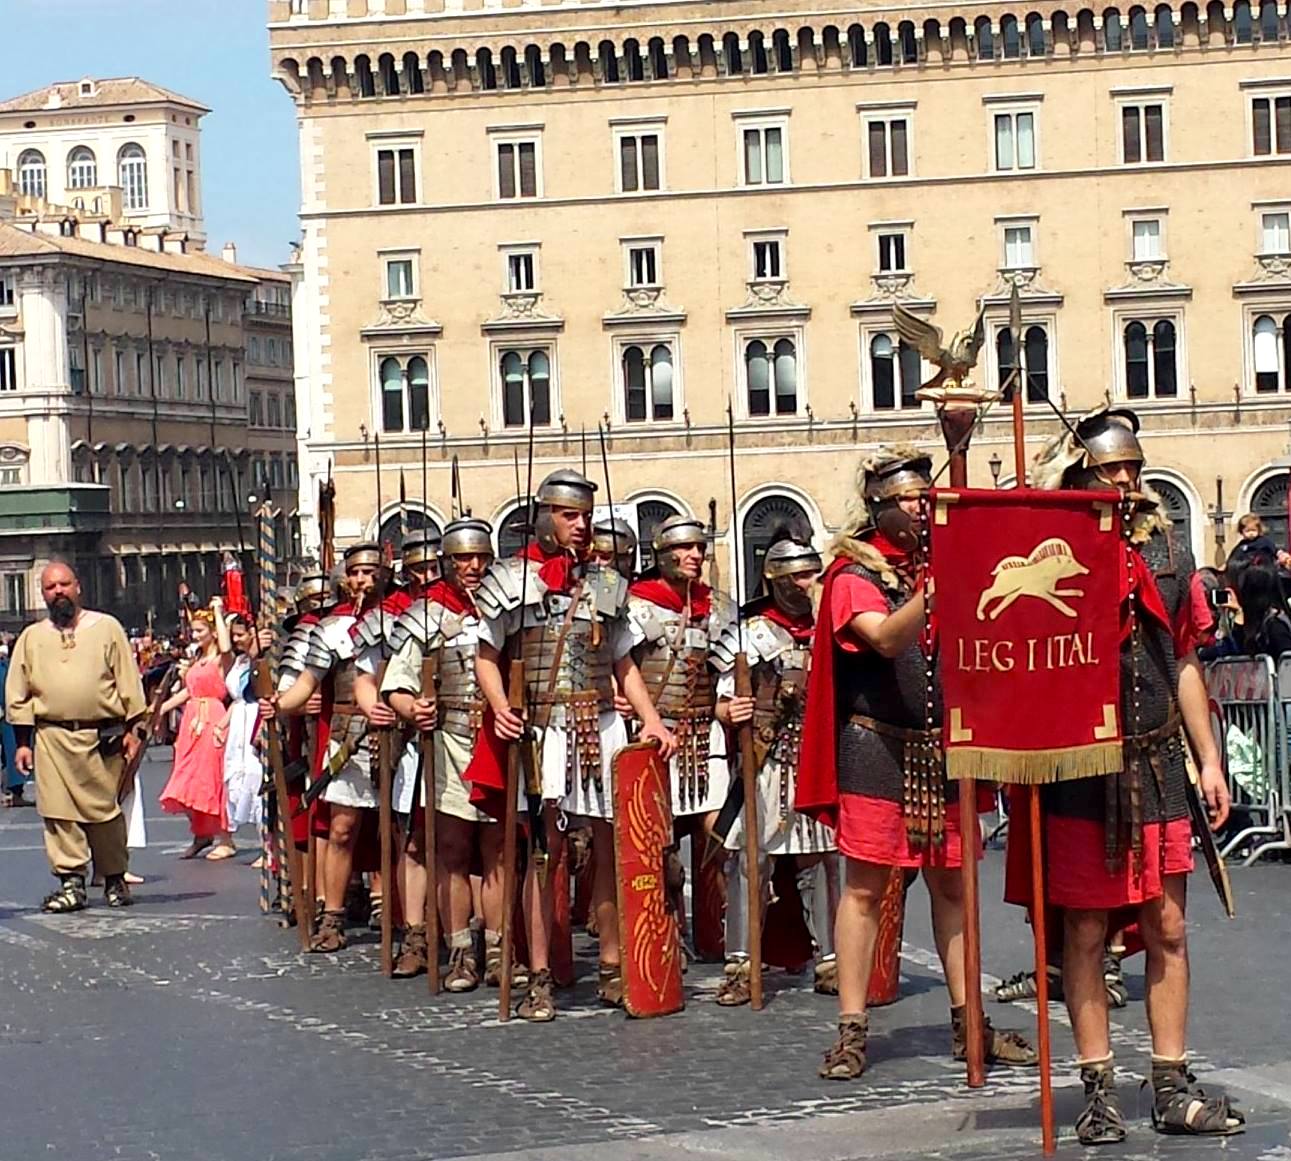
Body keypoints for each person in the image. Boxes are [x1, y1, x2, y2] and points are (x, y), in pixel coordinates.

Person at [1028, 407, 1241, 1144]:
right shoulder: (1052, 546)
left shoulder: (1169, 551)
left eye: (1131, 467)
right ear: (1080, 474)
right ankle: (1095, 1089)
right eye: (1108, 468)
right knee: (1084, 930)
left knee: (1169, 926)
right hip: (1081, 767)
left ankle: (1170, 1082)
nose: (1123, 478)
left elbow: (1181, 658)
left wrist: (1207, 757)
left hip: (1155, 760)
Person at [796, 446, 1036, 1082]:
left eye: (924, 496)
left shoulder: (939, 564)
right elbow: (884, 637)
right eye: (908, 499)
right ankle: (851, 1030)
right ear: (880, 506)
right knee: (865, 888)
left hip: (946, 753)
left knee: (955, 889)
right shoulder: (854, 574)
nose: (921, 507)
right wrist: (938, 589)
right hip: (877, 749)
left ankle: (969, 1025)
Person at [472, 469, 674, 1020]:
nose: (580, 525)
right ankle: (538, 971)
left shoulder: (608, 584)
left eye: (585, 515)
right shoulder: (511, 580)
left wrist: (651, 720)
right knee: (544, 853)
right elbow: (486, 657)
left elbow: (623, 662)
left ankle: (613, 964)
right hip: (542, 729)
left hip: (601, 723)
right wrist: (500, 708)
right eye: (569, 515)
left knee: (615, 846)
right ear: (544, 516)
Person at [715, 534, 840, 1005]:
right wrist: (734, 712)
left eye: (813, 574)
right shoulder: (750, 632)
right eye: (800, 576)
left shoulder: (829, 627)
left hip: (815, 758)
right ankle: (741, 962)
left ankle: (830, 959)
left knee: (821, 858)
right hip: (767, 757)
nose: (809, 584)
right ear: (778, 580)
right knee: (751, 859)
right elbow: (723, 703)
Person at [383, 517, 505, 988]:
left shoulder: (508, 605)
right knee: (451, 849)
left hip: (497, 738)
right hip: (449, 740)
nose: (473, 568)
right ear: (447, 563)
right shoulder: (426, 613)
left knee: (498, 852)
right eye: (463, 559)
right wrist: (414, 707)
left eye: (480, 558)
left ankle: (496, 947)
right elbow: (396, 682)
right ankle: (459, 950)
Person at [625, 515, 740, 956]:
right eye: (685, 548)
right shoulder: (637, 606)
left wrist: (728, 706)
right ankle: (663, 929)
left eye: (700, 549)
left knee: (720, 833)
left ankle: (718, 933)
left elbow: (727, 673)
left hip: (703, 733)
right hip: (655, 735)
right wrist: (629, 705)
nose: (695, 556)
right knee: (657, 841)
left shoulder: (721, 608)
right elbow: (621, 664)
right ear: (663, 555)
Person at [268, 544, 391, 953]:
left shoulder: (405, 618)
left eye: (371, 571)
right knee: (341, 829)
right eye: (356, 572)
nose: (363, 580)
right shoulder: (331, 629)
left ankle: (406, 920)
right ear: (345, 578)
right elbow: (305, 682)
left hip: (398, 734)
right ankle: (332, 914)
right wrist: (279, 703)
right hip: (347, 735)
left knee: (402, 834)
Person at [4, 561, 146, 911]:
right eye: (50, 587)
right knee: (58, 813)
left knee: (104, 812)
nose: (58, 592)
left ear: (78, 586)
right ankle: (71, 883)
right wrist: (23, 743)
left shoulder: (106, 628)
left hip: (101, 736)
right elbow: (18, 692)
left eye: (64, 584)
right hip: (51, 738)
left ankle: (115, 878)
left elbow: (129, 682)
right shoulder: (32, 638)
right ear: (43, 593)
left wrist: (134, 730)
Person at [159, 599, 236, 860]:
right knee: (186, 778)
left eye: (201, 631)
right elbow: (187, 692)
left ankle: (225, 837)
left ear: (213, 632)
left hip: (213, 718)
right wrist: (159, 709)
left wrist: (218, 612)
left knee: (212, 778)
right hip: (192, 721)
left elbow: (225, 646)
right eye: (194, 631)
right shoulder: (198, 659)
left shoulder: (223, 658)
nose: (195, 635)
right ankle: (201, 832)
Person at [221, 614, 268, 839]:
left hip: (255, 716)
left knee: (257, 775)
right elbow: (237, 699)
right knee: (237, 778)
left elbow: (254, 692)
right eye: (234, 635)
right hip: (240, 723)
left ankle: (267, 842)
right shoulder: (238, 661)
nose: (236, 639)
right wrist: (222, 725)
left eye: (240, 635)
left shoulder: (260, 661)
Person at [1227, 560, 1291, 659]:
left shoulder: (1275, 626)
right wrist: (1238, 613)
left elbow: (1287, 663)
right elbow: (1240, 651)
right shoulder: (1256, 623)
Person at [0, 643, 29, 807]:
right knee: (11, 751)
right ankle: (15, 790)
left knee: (11, 753)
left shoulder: (7, 666)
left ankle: (15, 789)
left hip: (8, 714)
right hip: (8, 715)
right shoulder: (7, 667)